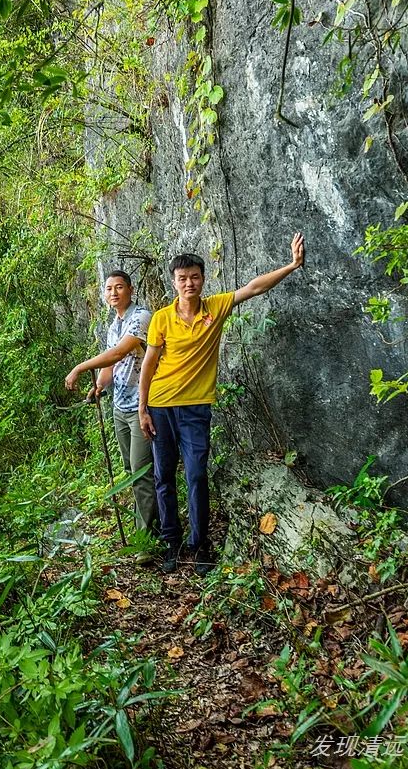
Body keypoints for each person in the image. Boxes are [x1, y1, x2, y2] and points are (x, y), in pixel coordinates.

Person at [138, 234, 305, 575]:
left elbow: (254, 288)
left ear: (203, 279)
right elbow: (149, 365)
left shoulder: (215, 307)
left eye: (195, 277)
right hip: (160, 406)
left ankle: (199, 544)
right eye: (182, 279)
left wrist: (292, 265)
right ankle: (172, 541)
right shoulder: (161, 319)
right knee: (163, 476)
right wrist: (143, 409)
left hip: (196, 409)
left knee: (197, 474)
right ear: (174, 282)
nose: (189, 283)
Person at [65, 270, 158, 538]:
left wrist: (80, 368)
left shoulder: (140, 317)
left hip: (143, 406)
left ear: (130, 289)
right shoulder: (113, 325)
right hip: (120, 407)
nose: (113, 293)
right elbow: (112, 364)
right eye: (108, 289)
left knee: (141, 473)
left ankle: (146, 537)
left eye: (119, 287)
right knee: (131, 470)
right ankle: (150, 523)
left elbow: (120, 351)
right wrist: (99, 386)